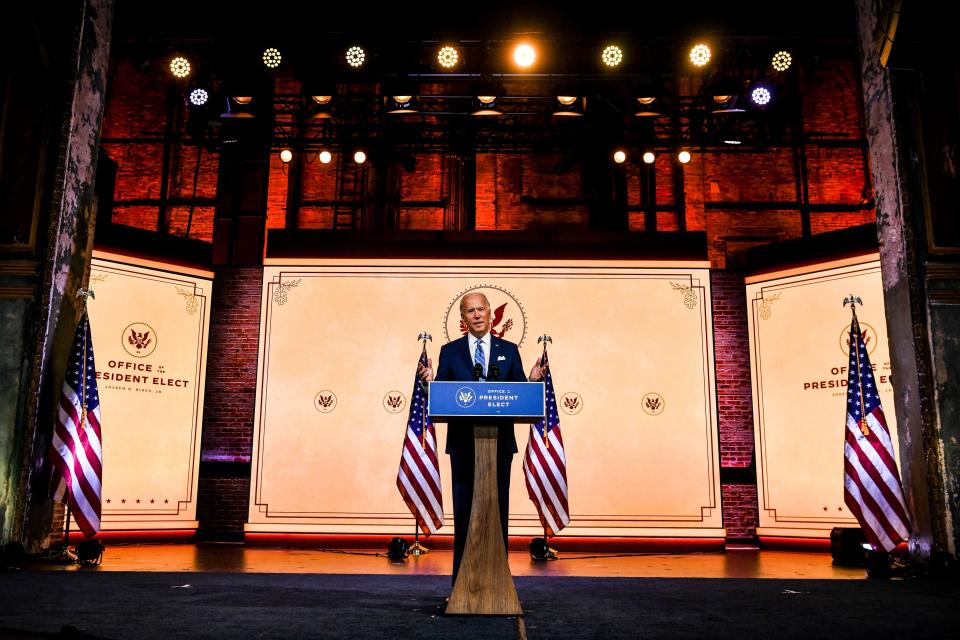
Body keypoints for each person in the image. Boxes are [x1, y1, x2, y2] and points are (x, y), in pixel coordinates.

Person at [418, 291, 544, 582]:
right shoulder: (450, 352)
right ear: (463, 319)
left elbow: (517, 394)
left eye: (480, 309)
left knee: (497, 510)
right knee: (464, 511)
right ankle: (462, 581)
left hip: (499, 444)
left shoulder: (509, 350)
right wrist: (429, 387)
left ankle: (497, 580)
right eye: (469, 311)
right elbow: (443, 398)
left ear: (490, 313)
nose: (476, 315)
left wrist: (532, 382)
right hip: (463, 445)